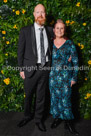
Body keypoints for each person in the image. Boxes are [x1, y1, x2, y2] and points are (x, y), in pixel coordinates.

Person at [17, 4, 53, 132]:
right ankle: (27, 116)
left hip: (45, 68)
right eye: (38, 12)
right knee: (29, 96)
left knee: (41, 96)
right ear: (34, 14)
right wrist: (21, 69)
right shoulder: (25, 31)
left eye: (42, 12)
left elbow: (57, 46)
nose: (40, 15)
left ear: (45, 14)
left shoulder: (50, 30)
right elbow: (20, 51)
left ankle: (38, 120)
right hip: (30, 69)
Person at [49, 19, 79, 135]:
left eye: (62, 28)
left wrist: (74, 78)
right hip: (53, 77)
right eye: (57, 28)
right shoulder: (50, 43)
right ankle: (57, 118)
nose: (59, 30)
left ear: (64, 30)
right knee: (55, 99)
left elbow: (76, 62)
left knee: (66, 100)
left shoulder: (69, 43)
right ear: (54, 30)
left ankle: (68, 123)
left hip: (66, 77)